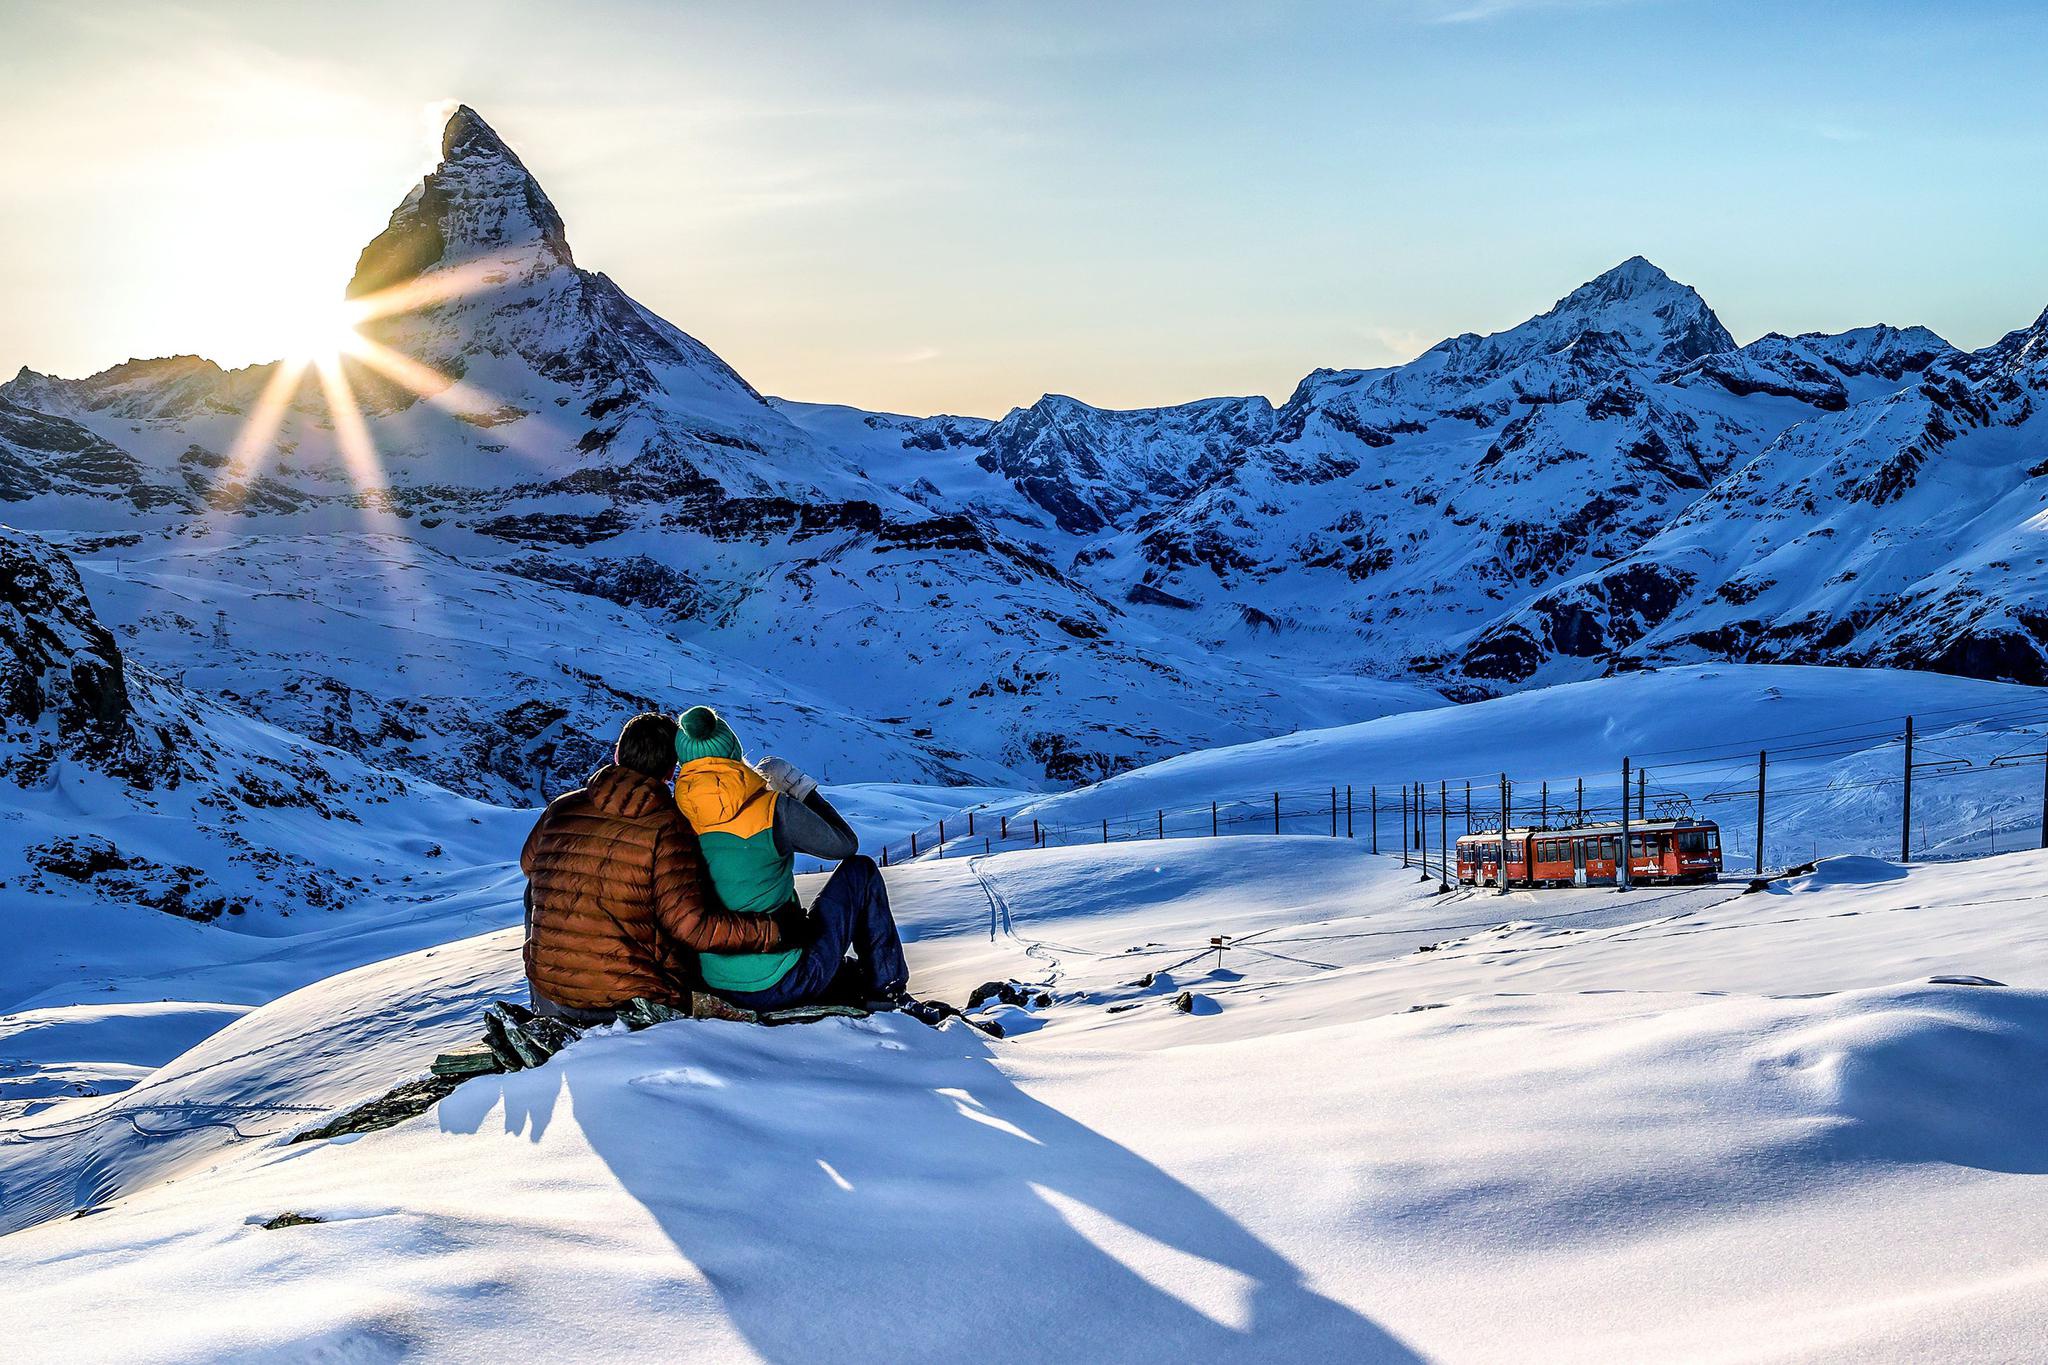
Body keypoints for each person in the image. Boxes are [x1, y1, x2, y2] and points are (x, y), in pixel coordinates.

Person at [520, 711, 812, 1023]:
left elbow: (529, 864)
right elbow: (692, 926)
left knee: (539, 885)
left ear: (618, 754)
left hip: (551, 987)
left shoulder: (562, 807)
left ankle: (548, 1006)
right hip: (629, 996)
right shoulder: (668, 827)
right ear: (672, 770)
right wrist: (776, 931)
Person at [670, 704, 911, 1011]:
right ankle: (888, 992)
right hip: (784, 979)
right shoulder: (772, 809)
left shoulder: (675, 817)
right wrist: (800, 787)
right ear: (733, 749)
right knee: (860, 871)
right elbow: (844, 845)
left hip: (716, 983)